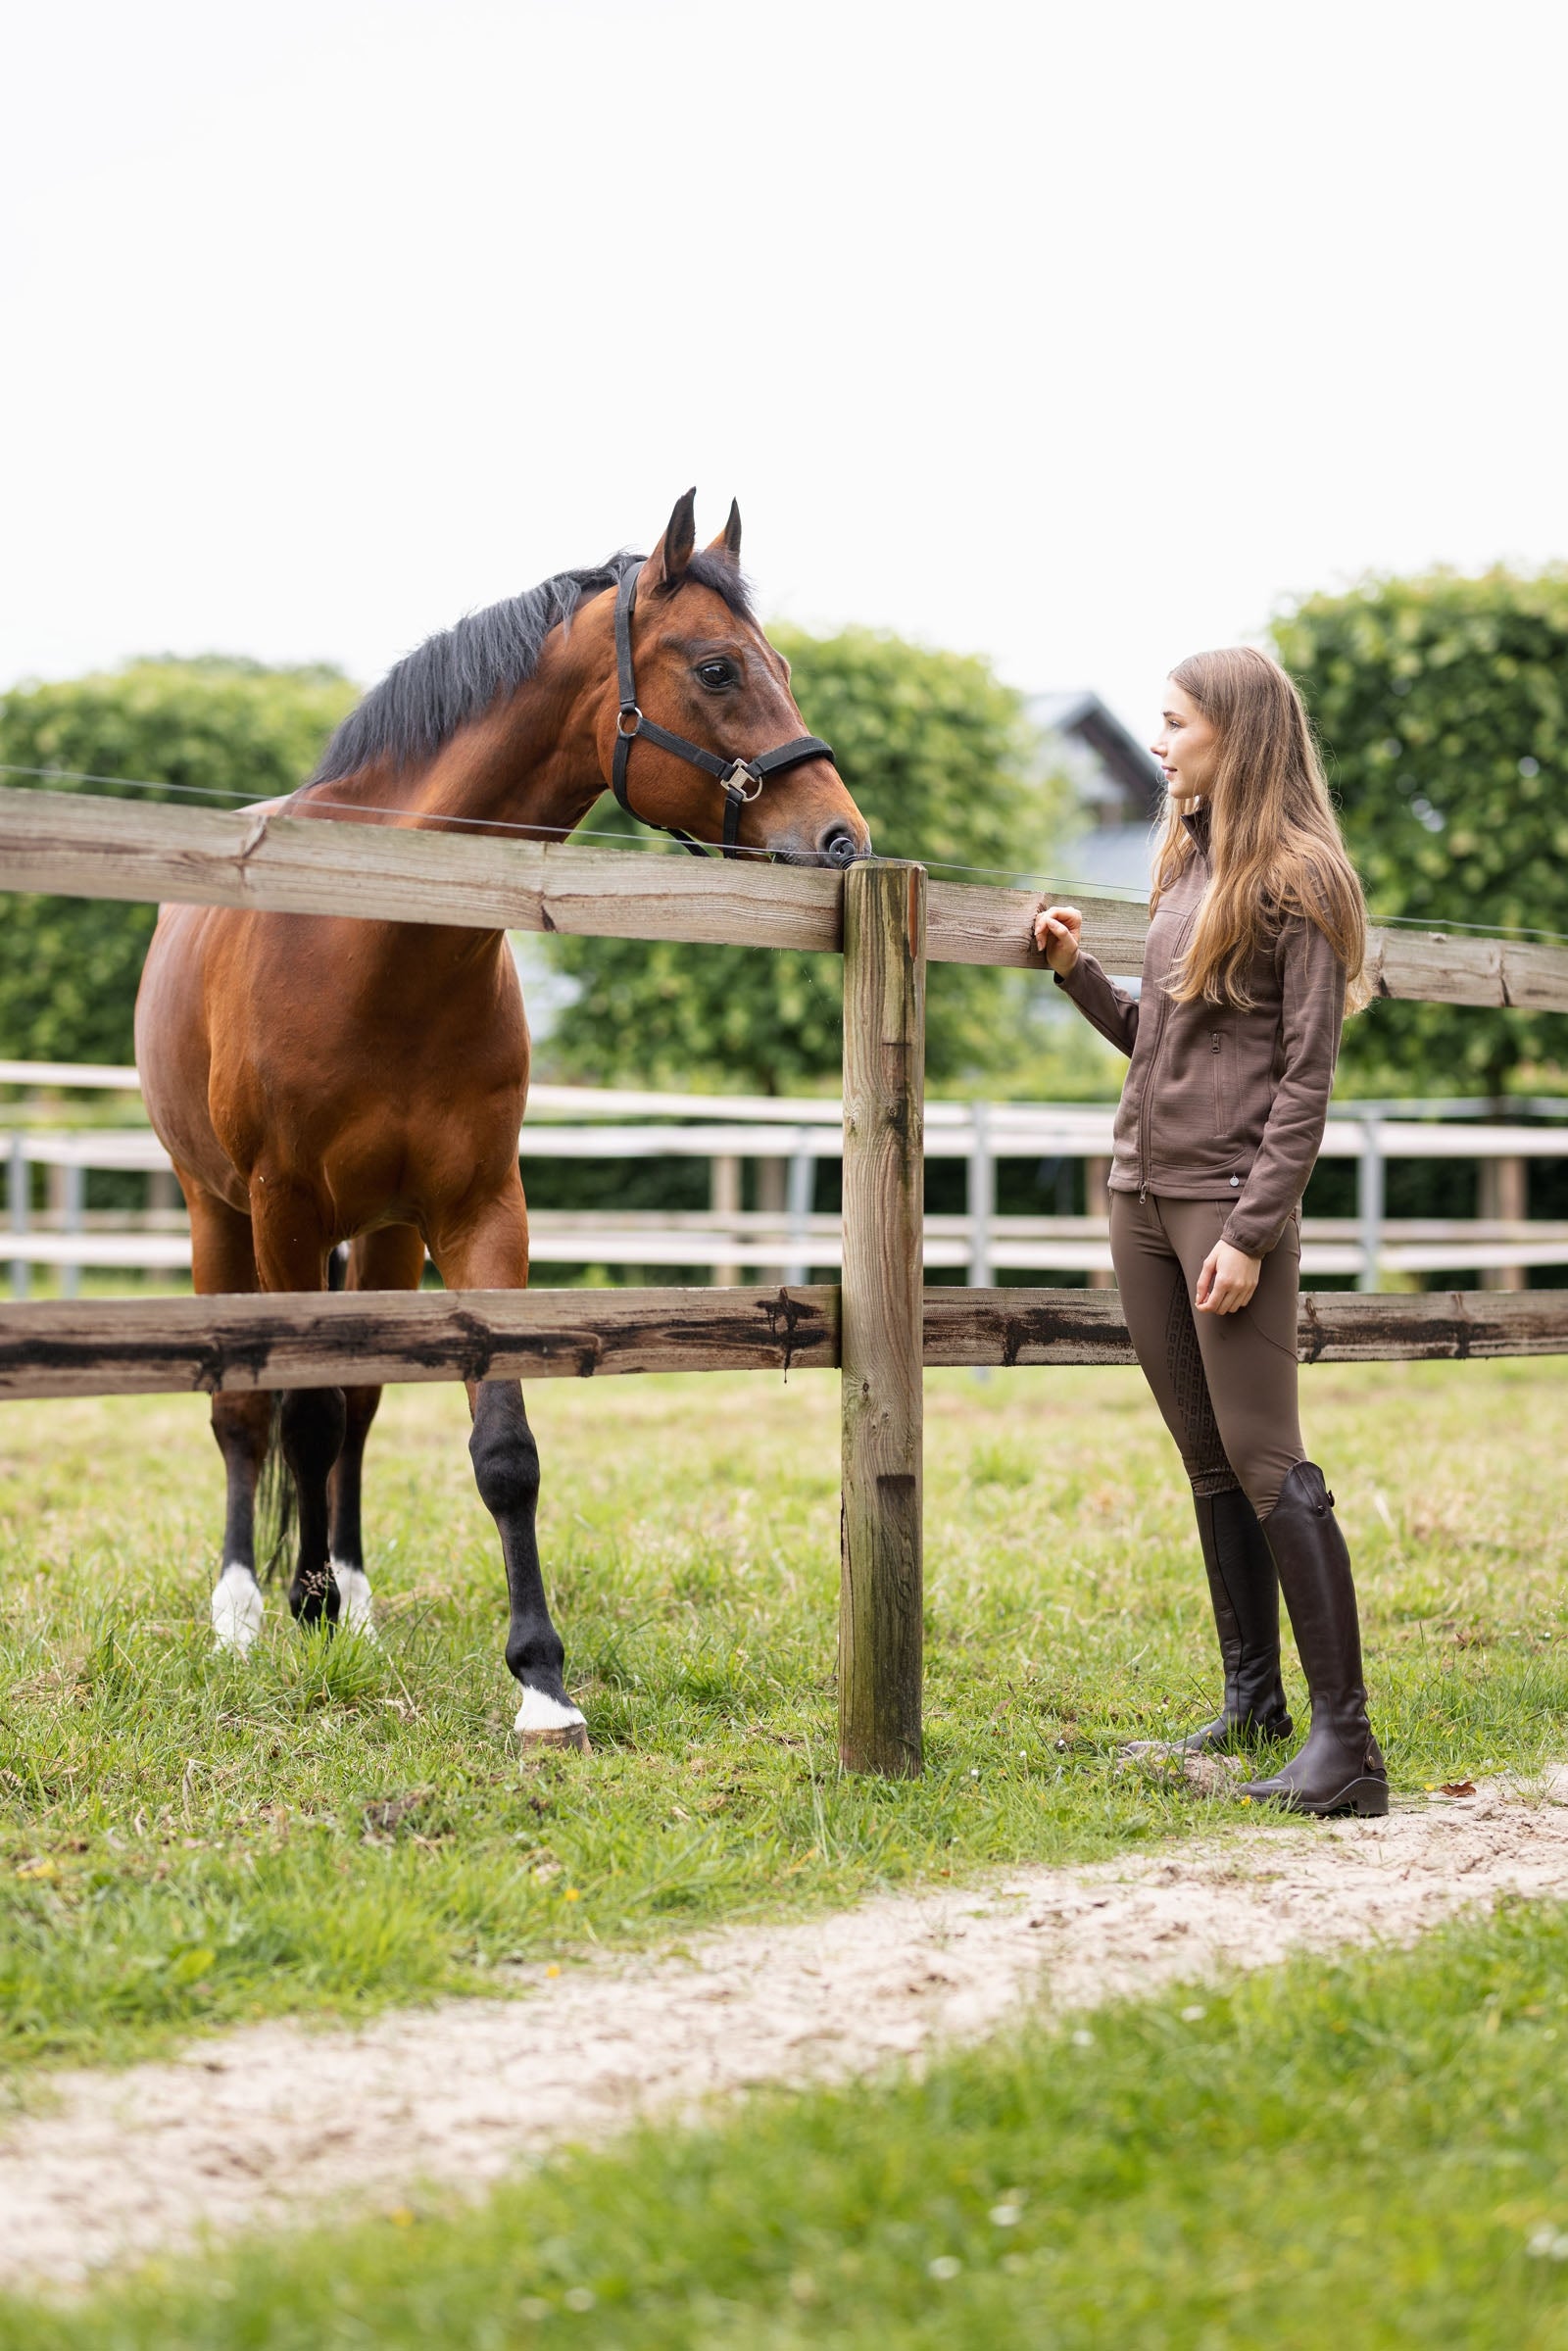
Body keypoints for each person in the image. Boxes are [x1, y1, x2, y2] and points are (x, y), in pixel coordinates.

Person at [1034, 647, 1386, 1818]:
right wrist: (1077, 972)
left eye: (1177, 721)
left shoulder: (1300, 878)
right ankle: (1254, 1703)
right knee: (1205, 1457)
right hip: (1139, 1193)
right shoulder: (1185, 865)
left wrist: (1249, 1230)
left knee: (1264, 1453)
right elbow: (1162, 1040)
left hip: (1223, 1204)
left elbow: (1304, 1081)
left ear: (1237, 732)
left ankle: (1348, 1746)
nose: (1158, 741)